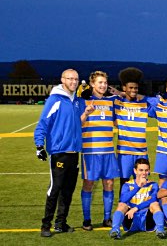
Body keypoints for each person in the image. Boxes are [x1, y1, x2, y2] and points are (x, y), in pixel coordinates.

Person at [35, 69, 89, 237]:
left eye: (76, 79)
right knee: (55, 188)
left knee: (68, 190)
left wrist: (86, 112)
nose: (73, 81)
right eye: (70, 79)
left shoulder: (79, 102)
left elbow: (77, 123)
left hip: (75, 152)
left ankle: (61, 223)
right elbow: (43, 123)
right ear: (62, 79)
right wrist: (39, 146)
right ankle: (46, 225)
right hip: (59, 152)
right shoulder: (55, 100)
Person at [79, 71, 119, 231]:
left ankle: (107, 218)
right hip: (90, 151)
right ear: (92, 84)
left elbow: (116, 121)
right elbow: (77, 123)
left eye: (104, 82)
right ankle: (87, 220)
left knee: (109, 183)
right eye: (99, 82)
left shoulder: (112, 102)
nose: (103, 85)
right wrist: (85, 113)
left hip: (108, 150)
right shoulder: (84, 101)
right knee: (88, 184)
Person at [113, 67, 154, 188]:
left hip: (141, 152)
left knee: (142, 184)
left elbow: (157, 102)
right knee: (124, 184)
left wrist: (142, 96)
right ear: (124, 88)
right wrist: (120, 95)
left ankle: (141, 207)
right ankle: (123, 207)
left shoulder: (144, 104)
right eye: (130, 88)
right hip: (124, 152)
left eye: (135, 88)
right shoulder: (117, 103)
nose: (133, 90)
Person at [109, 158, 166, 239]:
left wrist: (136, 208)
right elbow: (123, 199)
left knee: (155, 204)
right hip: (130, 218)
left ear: (149, 171)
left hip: (147, 219)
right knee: (122, 205)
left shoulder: (153, 185)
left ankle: (160, 230)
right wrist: (138, 186)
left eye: (146, 170)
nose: (144, 173)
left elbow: (153, 200)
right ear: (135, 171)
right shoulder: (127, 185)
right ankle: (115, 230)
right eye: (141, 170)